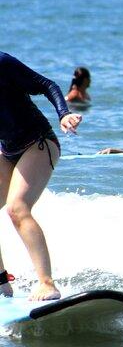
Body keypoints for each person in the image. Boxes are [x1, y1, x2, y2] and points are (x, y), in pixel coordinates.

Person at [0, 52, 82, 301]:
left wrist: (63, 114)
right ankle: (2, 284)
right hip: (7, 148)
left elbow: (48, 84)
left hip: (38, 142)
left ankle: (47, 284)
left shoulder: (2, 63)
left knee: (17, 208)